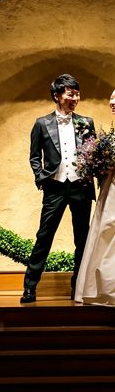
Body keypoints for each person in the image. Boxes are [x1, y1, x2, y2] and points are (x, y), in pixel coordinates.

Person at [20, 74, 95, 303]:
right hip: (55, 188)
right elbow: (34, 156)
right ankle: (30, 287)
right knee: (44, 237)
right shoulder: (42, 124)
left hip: (80, 187)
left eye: (77, 94)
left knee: (82, 239)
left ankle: (78, 286)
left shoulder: (86, 122)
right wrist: (41, 177)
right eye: (71, 94)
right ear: (57, 96)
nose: (75, 99)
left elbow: (93, 153)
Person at [74, 90, 115, 305]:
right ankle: (99, 288)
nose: (112, 102)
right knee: (105, 229)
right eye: (111, 98)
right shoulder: (111, 135)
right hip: (111, 187)